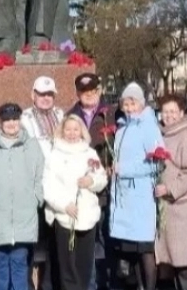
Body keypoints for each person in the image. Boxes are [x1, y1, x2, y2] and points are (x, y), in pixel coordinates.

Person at [0, 103, 46, 290]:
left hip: (23, 219)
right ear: (0, 121)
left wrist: (37, 198)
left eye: (15, 119)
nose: (11, 123)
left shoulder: (32, 146)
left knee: (20, 267)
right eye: (7, 120)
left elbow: (40, 175)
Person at [108, 82, 164, 290]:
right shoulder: (123, 127)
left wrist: (125, 169)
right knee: (132, 250)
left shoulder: (149, 126)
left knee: (145, 250)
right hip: (125, 199)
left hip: (140, 197)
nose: (129, 108)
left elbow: (158, 161)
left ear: (141, 104)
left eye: (133, 103)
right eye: (126, 104)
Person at [43, 115, 108, 290]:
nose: (72, 133)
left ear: (81, 131)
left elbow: (101, 177)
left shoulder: (89, 152)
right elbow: (48, 187)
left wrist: (91, 181)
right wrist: (64, 205)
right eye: (68, 129)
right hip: (65, 217)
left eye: (76, 129)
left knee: (84, 266)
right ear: (62, 131)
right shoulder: (55, 154)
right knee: (67, 268)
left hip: (87, 216)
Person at [69, 73, 114, 290]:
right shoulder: (70, 117)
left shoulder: (112, 113)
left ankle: (109, 283)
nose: (89, 95)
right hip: (83, 193)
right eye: (84, 92)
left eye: (93, 91)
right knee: (86, 245)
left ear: (99, 91)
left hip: (109, 190)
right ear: (78, 93)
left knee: (108, 241)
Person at [153, 95, 187, 290]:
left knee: (185, 266)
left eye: (174, 111)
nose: (169, 116)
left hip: (182, 209)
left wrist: (171, 188)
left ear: (182, 113)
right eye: (166, 112)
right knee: (169, 266)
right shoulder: (160, 136)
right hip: (165, 209)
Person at [21, 76, 65, 290]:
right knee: (32, 243)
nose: (46, 98)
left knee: (54, 245)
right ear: (33, 95)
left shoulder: (62, 116)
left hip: (58, 191)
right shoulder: (24, 119)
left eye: (49, 95)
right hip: (35, 190)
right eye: (41, 94)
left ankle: (49, 285)